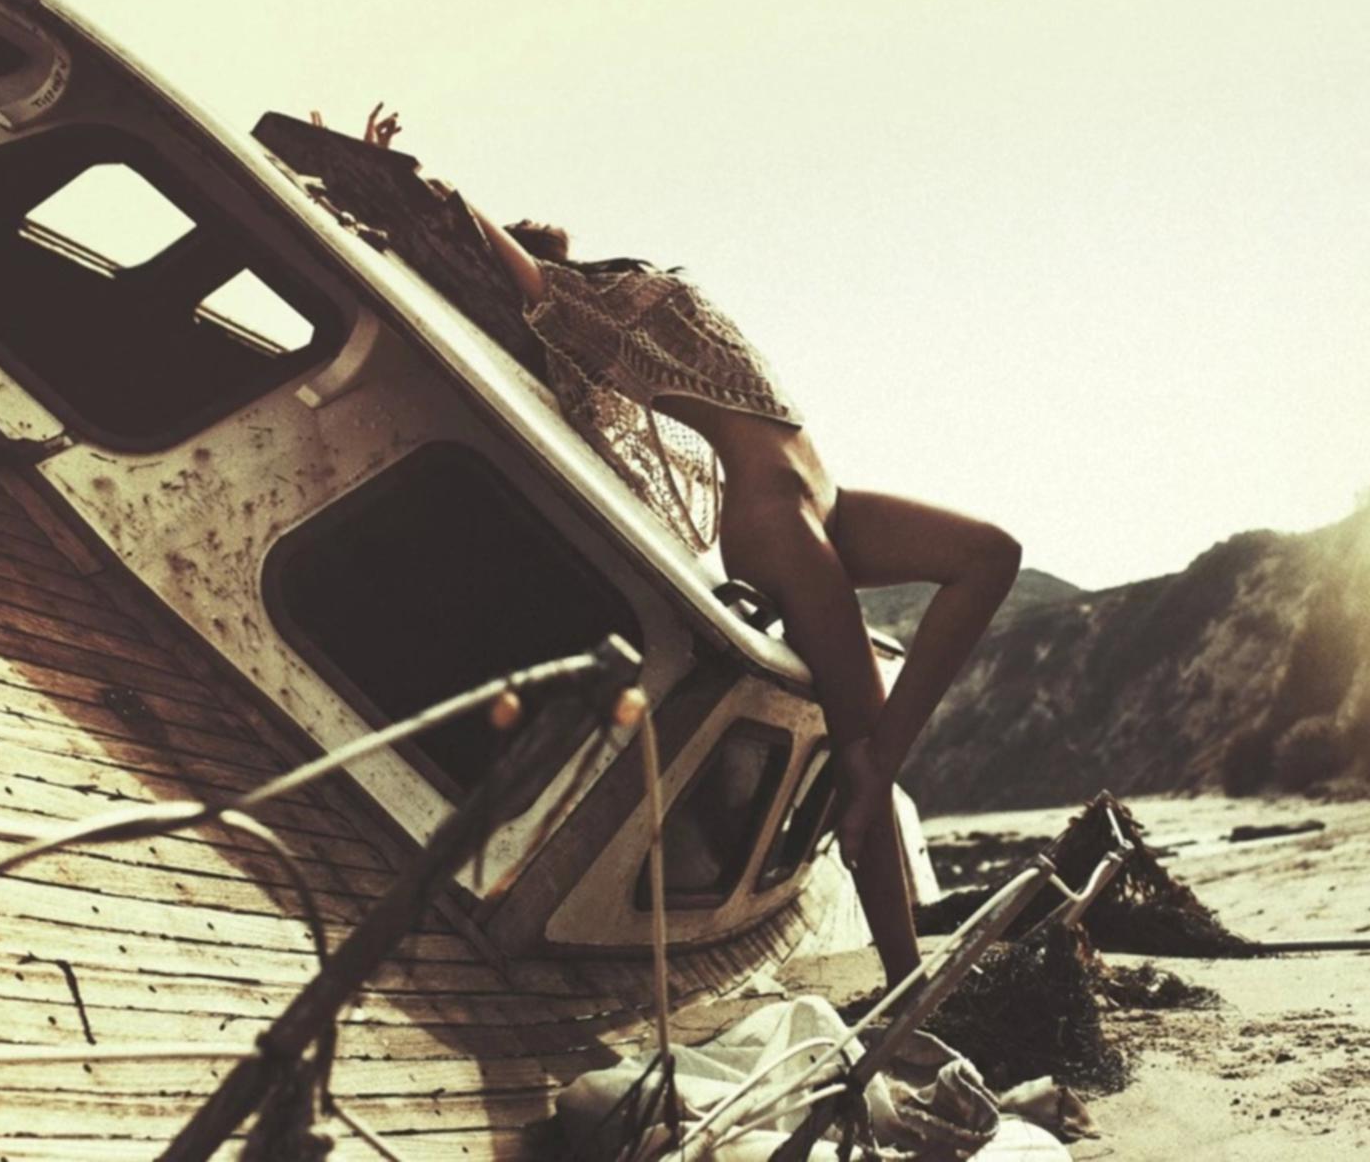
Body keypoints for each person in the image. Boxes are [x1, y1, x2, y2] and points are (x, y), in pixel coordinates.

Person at [346, 104, 1022, 986]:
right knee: (862, 761)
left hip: (825, 497)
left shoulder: (616, 284)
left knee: (990, 555)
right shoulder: (581, 310)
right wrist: (401, 179)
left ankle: (881, 770)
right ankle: (905, 979)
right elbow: (481, 244)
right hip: (774, 519)